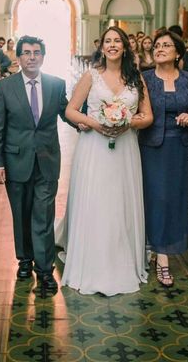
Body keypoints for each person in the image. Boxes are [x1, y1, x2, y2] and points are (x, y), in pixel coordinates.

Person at [58, 26, 153, 296]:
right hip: (94, 148)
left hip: (125, 148)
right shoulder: (91, 76)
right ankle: (91, 260)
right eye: (108, 41)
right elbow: (70, 110)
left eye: (117, 41)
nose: (112, 45)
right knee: (97, 199)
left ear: (125, 47)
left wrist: (127, 122)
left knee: (120, 201)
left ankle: (121, 259)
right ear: (102, 47)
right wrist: (95, 123)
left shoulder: (136, 79)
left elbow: (147, 116)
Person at [0, 36, 70, 296]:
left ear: (43, 57)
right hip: (16, 161)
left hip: (47, 160)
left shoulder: (56, 85)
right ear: (19, 57)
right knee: (21, 214)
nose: (31, 57)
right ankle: (24, 260)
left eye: (36, 52)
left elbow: (69, 114)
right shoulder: (4, 87)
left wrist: (94, 123)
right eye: (26, 53)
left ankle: (44, 271)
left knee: (43, 216)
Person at [140, 29, 188, 287]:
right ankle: (156, 252)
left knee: (172, 200)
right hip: (149, 146)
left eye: (166, 45)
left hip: (178, 146)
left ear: (178, 52)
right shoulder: (144, 78)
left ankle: (162, 253)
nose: (159, 49)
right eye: (157, 45)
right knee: (153, 198)